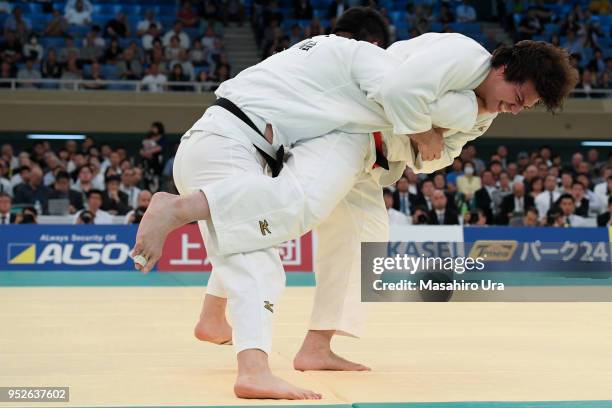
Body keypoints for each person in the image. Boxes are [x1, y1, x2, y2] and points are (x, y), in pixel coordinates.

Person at [133, 13, 577, 401]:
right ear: (503, 67)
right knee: (295, 207)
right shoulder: (462, 55)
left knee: (361, 237)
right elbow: (404, 93)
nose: (514, 111)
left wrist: (434, 136)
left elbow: (440, 157)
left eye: (524, 109)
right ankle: (189, 216)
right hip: (329, 135)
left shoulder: (481, 110)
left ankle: (314, 343)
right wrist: (426, 129)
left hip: (365, 154)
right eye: (517, 98)